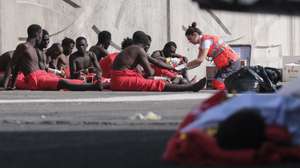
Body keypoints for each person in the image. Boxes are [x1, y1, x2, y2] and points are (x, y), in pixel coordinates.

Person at [7, 24, 101, 91]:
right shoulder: (23, 46)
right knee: (62, 83)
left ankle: (92, 84)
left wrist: (12, 85)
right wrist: (8, 85)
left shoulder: (34, 49)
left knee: (65, 80)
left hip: (41, 74)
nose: (41, 37)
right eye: (41, 35)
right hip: (35, 79)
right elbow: (13, 65)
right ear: (37, 35)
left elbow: (18, 65)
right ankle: (93, 86)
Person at [110, 31, 206, 92]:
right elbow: (150, 71)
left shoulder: (134, 49)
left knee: (153, 80)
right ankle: (190, 87)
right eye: (147, 46)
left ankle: (188, 85)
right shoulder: (139, 49)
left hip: (119, 78)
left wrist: (173, 68)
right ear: (145, 44)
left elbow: (155, 62)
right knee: (157, 84)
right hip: (121, 80)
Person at [185, 22, 240, 90]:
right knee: (215, 83)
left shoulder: (206, 41)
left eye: (190, 39)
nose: (190, 41)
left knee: (218, 82)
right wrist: (185, 68)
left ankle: (230, 94)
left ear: (195, 35)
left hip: (232, 63)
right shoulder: (202, 44)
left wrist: (183, 66)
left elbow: (200, 60)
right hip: (226, 65)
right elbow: (198, 63)